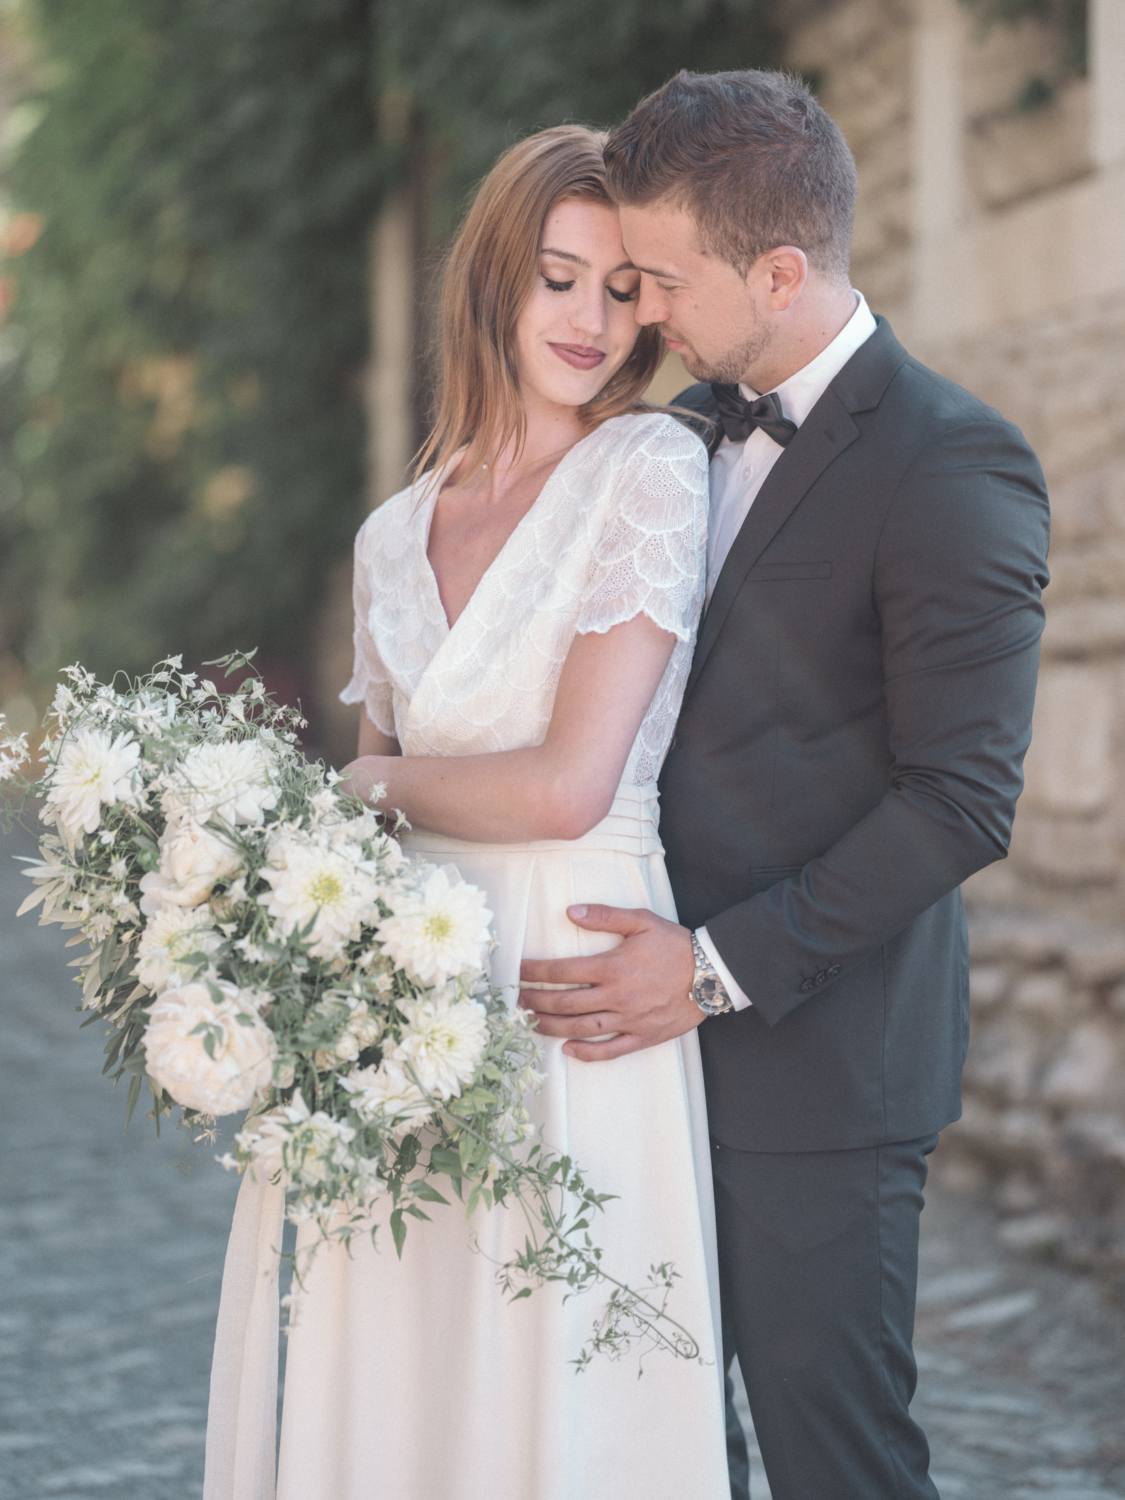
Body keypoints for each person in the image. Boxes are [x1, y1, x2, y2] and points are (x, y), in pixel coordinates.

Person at [520, 70, 1051, 1500]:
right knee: (653, 1452)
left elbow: (959, 800)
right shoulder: (668, 438)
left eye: (659, 281)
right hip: (615, 1069)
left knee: (836, 1465)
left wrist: (704, 972)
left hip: (815, 1066)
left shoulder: (955, 464)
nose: (637, 314)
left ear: (779, 269)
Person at [203, 125, 730, 1500]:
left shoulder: (648, 472)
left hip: (572, 979)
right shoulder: (393, 533)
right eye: (556, 278)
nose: (589, 322)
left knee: (555, 1374)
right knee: (393, 1362)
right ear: (490, 282)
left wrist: (362, 783)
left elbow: (568, 783)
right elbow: (363, 834)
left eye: (623, 292)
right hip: (400, 997)